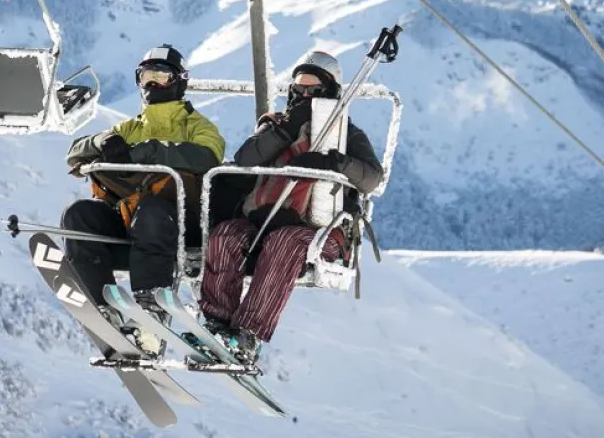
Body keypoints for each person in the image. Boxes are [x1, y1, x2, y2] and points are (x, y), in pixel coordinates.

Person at [198, 50, 384, 364]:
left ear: (329, 93)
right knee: (226, 234)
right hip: (265, 220)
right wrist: (284, 131)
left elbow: (371, 178)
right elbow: (246, 159)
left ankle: (247, 335)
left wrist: (332, 161)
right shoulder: (277, 126)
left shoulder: (344, 133)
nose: (305, 97)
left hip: (323, 233)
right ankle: (216, 322)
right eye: (299, 90)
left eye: (314, 91)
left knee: (285, 242)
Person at [62, 44, 225, 356]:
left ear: (178, 82)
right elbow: (74, 154)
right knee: (80, 215)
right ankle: (103, 306)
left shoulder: (198, 127)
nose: (151, 84)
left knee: (151, 210)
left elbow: (206, 155)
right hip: (132, 223)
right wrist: (101, 141)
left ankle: (152, 315)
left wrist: (148, 151)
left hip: (181, 225)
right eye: (145, 76)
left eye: (160, 76)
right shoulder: (130, 128)